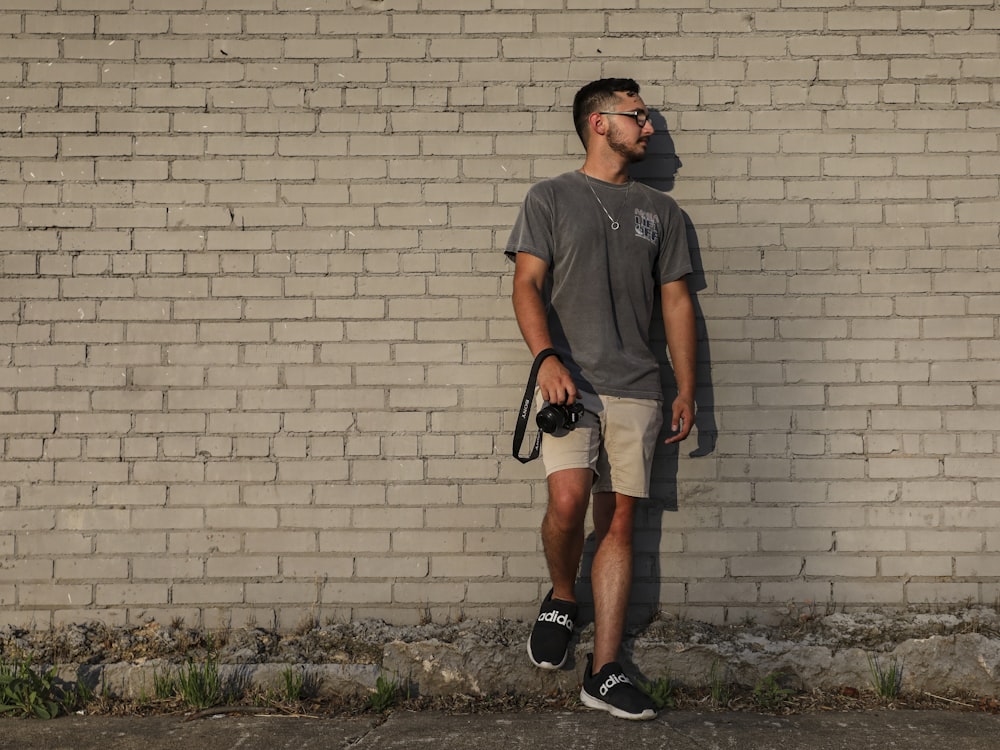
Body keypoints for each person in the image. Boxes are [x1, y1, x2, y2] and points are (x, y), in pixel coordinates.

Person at [504, 78, 697, 721]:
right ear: (599, 122)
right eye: (638, 116)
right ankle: (562, 595)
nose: (649, 128)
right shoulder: (550, 197)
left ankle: (605, 669)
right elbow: (526, 284)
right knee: (567, 500)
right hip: (570, 382)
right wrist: (546, 359)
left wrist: (686, 386)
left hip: (639, 386)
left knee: (620, 521)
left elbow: (676, 302)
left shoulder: (661, 212)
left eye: (647, 118)